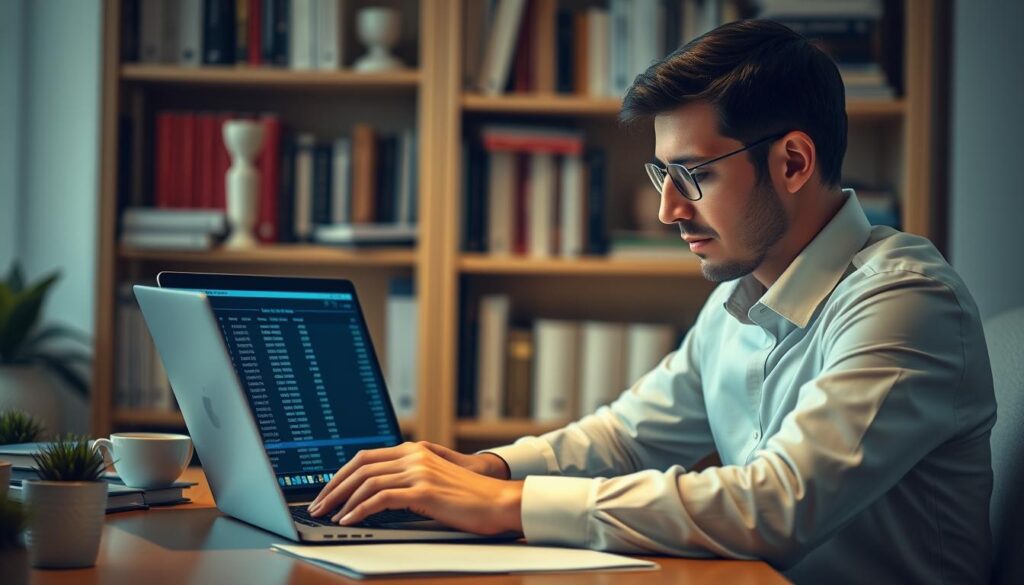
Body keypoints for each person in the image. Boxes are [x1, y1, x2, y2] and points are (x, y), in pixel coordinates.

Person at [307, 19, 995, 583]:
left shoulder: (905, 300)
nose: (667, 209)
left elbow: (778, 502)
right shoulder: (740, 293)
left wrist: (508, 503)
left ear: (792, 162)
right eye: (662, 173)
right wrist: (487, 468)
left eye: (692, 175)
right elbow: (626, 437)